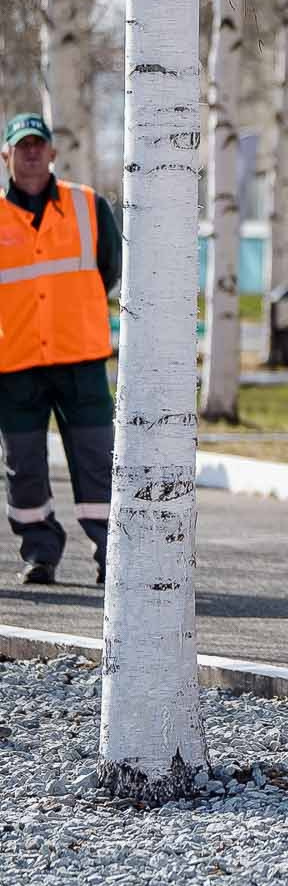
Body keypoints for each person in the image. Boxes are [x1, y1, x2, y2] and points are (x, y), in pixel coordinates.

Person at [0, 113, 121, 586]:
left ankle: (113, 555)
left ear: (52, 152)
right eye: (22, 145)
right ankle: (39, 553)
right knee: (24, 467)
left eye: (38, 144)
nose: (31, 152)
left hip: (81, 359)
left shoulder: (88, 205)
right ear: (7, 156)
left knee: (96, 462)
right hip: (15, 364)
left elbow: (109, 269)